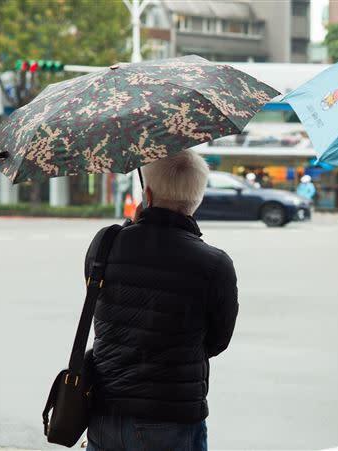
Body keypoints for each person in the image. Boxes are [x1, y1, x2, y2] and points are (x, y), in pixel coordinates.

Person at [85, 150, 238, 451]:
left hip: (103, 410)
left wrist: (133, 225)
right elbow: (218, 341)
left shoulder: (106, 243)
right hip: (172, 416)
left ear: (148, 194)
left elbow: (104, 304)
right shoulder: (215, 264)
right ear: (197, 199)